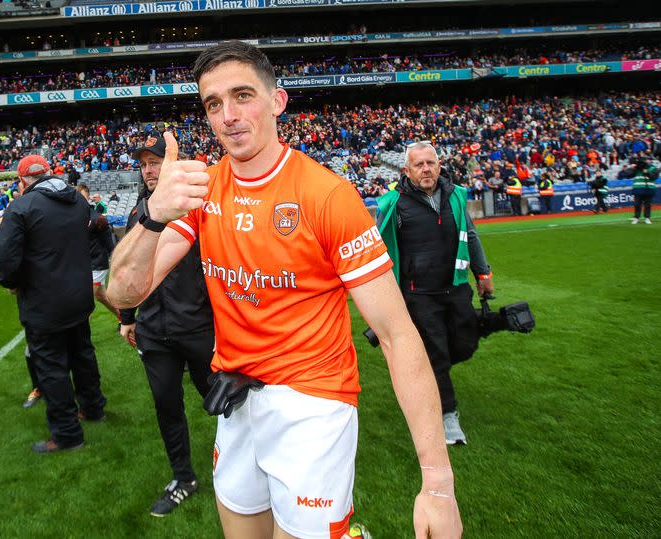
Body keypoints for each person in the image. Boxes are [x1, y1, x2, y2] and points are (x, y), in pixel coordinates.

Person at [107, 41, 461, 539]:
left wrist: (438, 484)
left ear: (277, 101)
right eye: (213, 103)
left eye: (243, 95)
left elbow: (397, 333)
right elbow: (123, 293)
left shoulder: (327, 196)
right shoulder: (203, 190)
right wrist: (150, 216)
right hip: (235, 400)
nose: (228, 115)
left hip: (312, 406)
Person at [118, 136, 215, 518]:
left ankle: (250, 469)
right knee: (167, 406)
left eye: (155, 161)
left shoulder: (200, 205)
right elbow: (129, 272)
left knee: (223, 405)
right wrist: (128, 318)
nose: (149, 169)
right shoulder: (137, 214)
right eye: (143, 164)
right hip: (154, 331)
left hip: (198, 326)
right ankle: (183, 477)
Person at [376, 142, 494, 446]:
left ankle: (431, 374)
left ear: (439, 165)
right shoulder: (392, 204)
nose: (426, 169)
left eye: (431, 163)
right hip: (419, 295)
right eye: (419, 165)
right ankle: (447, 415)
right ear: (407, 170)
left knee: (465, 344)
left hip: (456, 288)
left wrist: (482, 273)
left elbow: (472, 235)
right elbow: (378, 251)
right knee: (437, 355)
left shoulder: (456, 196)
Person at [0, 154, 107, 453]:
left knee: (51, 366)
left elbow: (5, 260)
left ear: (22, 181)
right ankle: (93, 408)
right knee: (82, 353)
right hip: (78, 295)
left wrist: (13, 283)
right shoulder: (79, 201)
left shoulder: (21, 207)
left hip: (44, 301)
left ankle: (68, 435)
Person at [0, 215, 43, 410]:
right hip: (32, 290)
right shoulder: (21, 213)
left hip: (55, 285)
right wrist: (16, 211)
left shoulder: (54, 211)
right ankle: (39, 388)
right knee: (33, 346)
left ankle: (83, 399)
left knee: (67, 345)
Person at [75, 183, 120, 322]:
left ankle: (81, 335)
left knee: (86, 299)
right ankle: (123, 318)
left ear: (88, 197)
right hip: (84, 263)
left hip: (98, 262)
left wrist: (115, 257)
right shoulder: (74, 218)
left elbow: (108, 242)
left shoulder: (98, 219)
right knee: (101, 296)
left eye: (83, 197)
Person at [631, 160, 655, 224]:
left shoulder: (653, 168)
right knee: (637, 204)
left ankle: (647, 218)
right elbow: (629, 174)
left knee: (647, 205)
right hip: (638, 189)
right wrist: (633, 168)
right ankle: (636, 217)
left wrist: (647, 172)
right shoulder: (637, 169)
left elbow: (654, 177)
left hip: (648, 189)